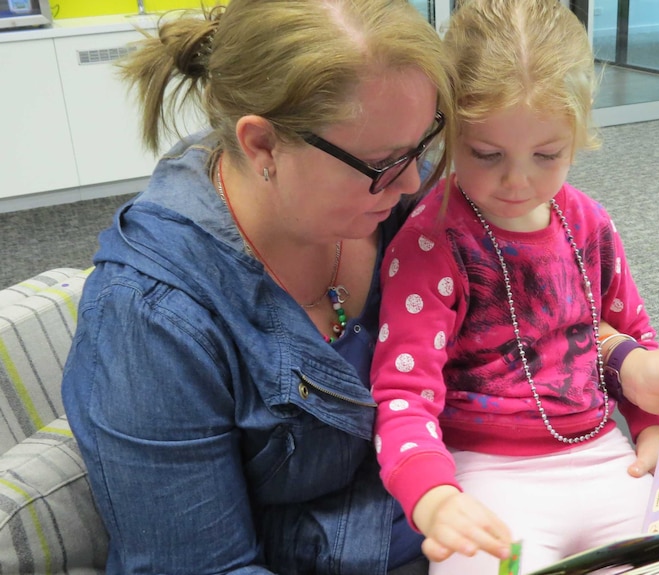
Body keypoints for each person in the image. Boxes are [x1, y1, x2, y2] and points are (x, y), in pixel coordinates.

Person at [60, 1, 455, 573]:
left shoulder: (395, 201)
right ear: (262, 145)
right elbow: (203, 565)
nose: (416, 181)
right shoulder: (149, 319)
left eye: (424, 143)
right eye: (384, 162)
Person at [369, 1, 659, 573]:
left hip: (602, 453)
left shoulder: (587, 222)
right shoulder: (429, 242)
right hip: (486, 471)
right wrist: (433, 497)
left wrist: (648, 424)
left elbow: (636, 339)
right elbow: (402, 394)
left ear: (578, 133)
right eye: (485, 154)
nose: (517, 181)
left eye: (548, 154)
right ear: (448, 130)